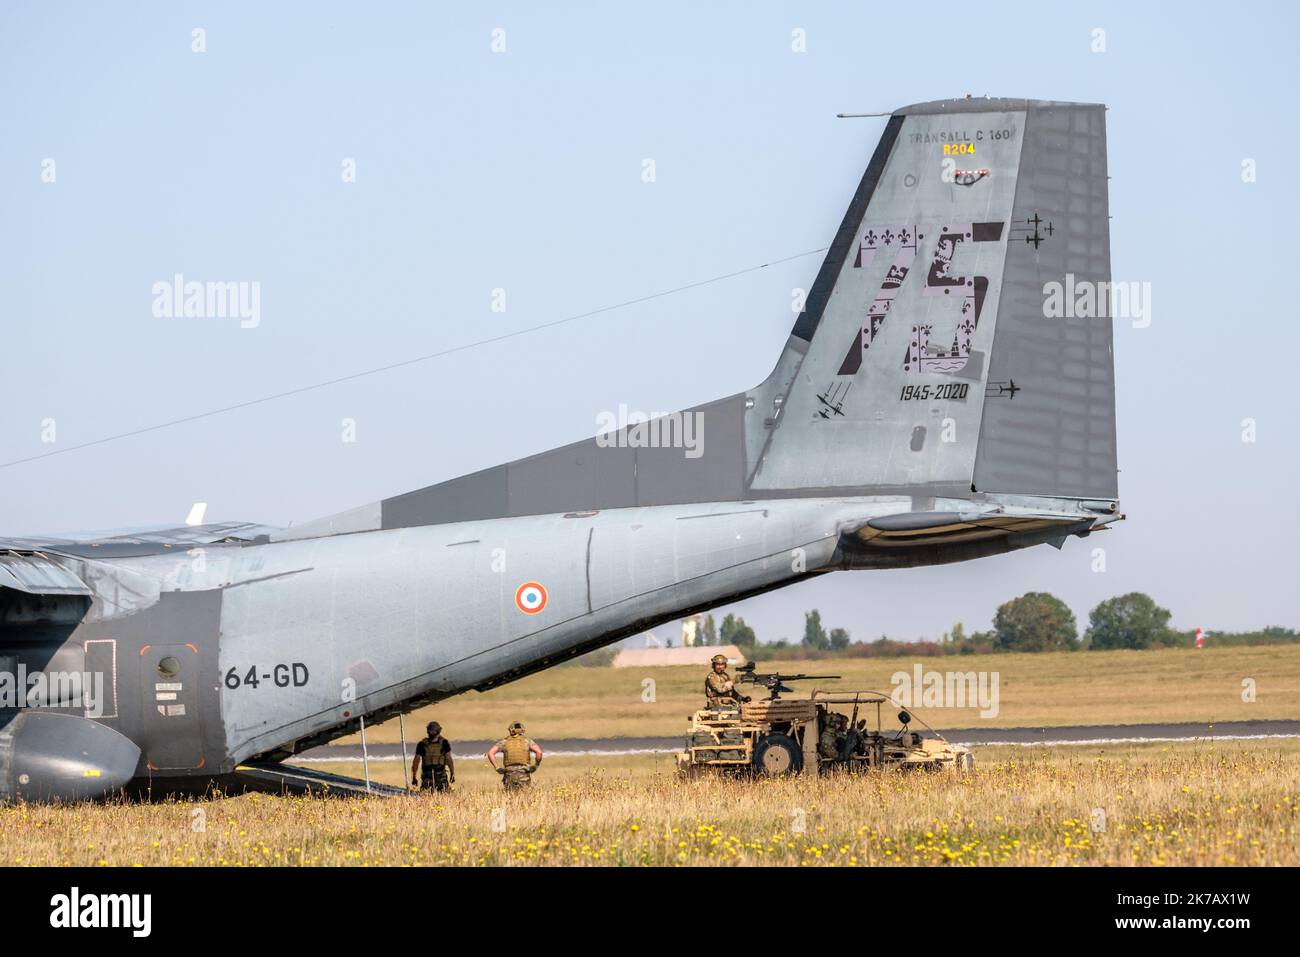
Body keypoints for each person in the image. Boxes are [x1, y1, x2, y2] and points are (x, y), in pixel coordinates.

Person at [486, 721, 543, 791]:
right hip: (523, 774)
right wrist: (536, 766)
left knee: (510, 796)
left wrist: (497, 768)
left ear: (510, 730)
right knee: (525, 797)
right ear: (522, 730)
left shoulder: (504, 742)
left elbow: (490, 753)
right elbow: (539, 752)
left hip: (509, 774)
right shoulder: (527, 741)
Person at [411, 720, 454, 792]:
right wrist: (452, 773)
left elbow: (416, 762)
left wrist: (414, 777)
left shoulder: (422, 744)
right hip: (440, 776)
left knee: (425, 797)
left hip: (427, 777)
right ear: (439, 731)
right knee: (444, 796)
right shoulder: (444, 743)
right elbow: (449, 759)